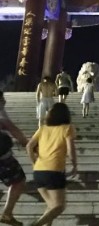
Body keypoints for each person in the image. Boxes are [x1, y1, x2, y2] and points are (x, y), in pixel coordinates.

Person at [26, 102, 78, 226]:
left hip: (38, 172)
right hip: (54, 171)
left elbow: (29, 146)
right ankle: (36, 225)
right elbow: (71, 150)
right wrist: (75, 165)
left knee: (51, 206)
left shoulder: (43, 128)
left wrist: (34, 162)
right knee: (59, 206)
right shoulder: (67, 128)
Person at [0, 91, 28, 226]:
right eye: (2, 99)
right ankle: (7, 214)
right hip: (3, 159)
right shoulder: (0, 113)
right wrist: (27, 144)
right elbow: (12, 128)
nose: (4, 101)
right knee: (18, 181)